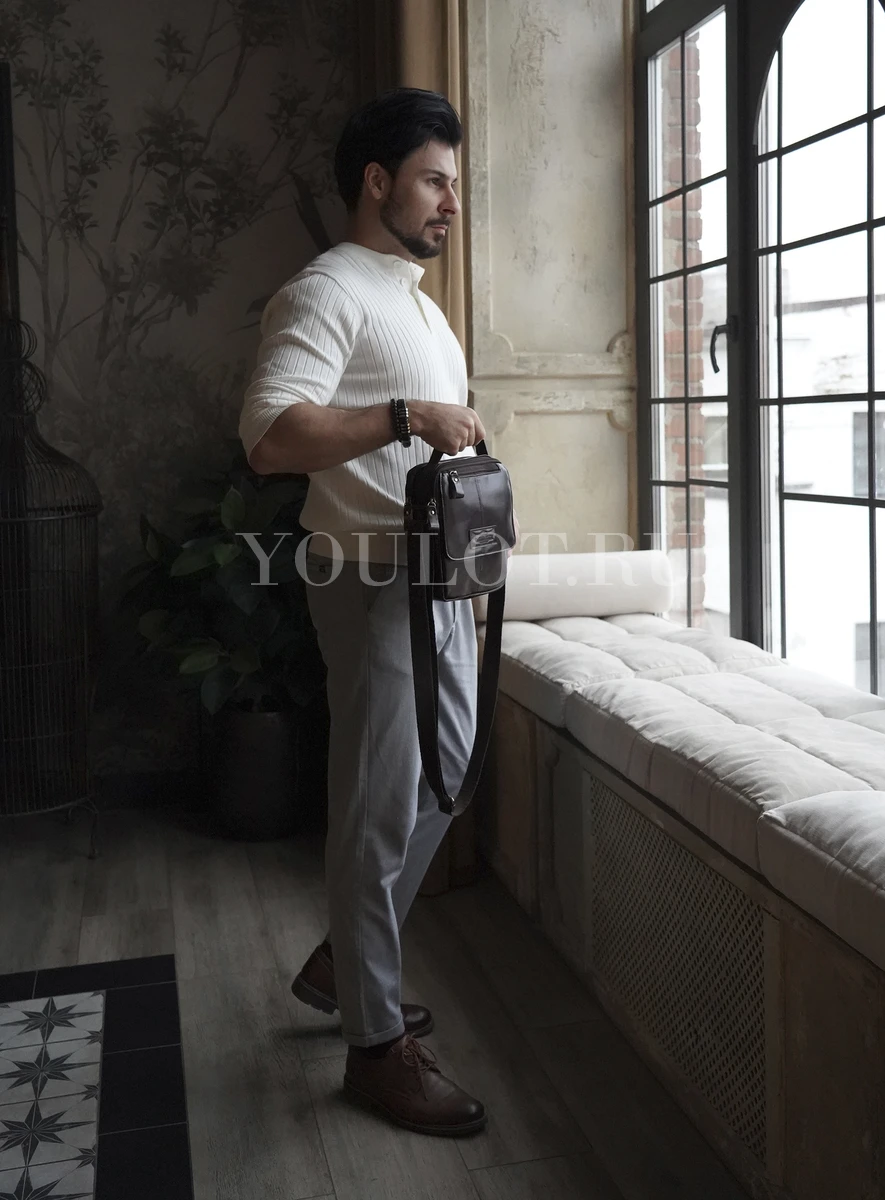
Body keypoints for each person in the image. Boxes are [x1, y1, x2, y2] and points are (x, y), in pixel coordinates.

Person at [238, 86, 518, 1137]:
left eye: (455, 183)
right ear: (376, 181)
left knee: (448, 775)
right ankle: (373, 1048)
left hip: (436, 577)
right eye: (435, 181)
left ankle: (345, 965)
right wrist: (405, 414)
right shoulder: (327, 291)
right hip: (366, 578)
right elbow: (270, 436)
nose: (452, 202)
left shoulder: (416, 302)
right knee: (378, 805)